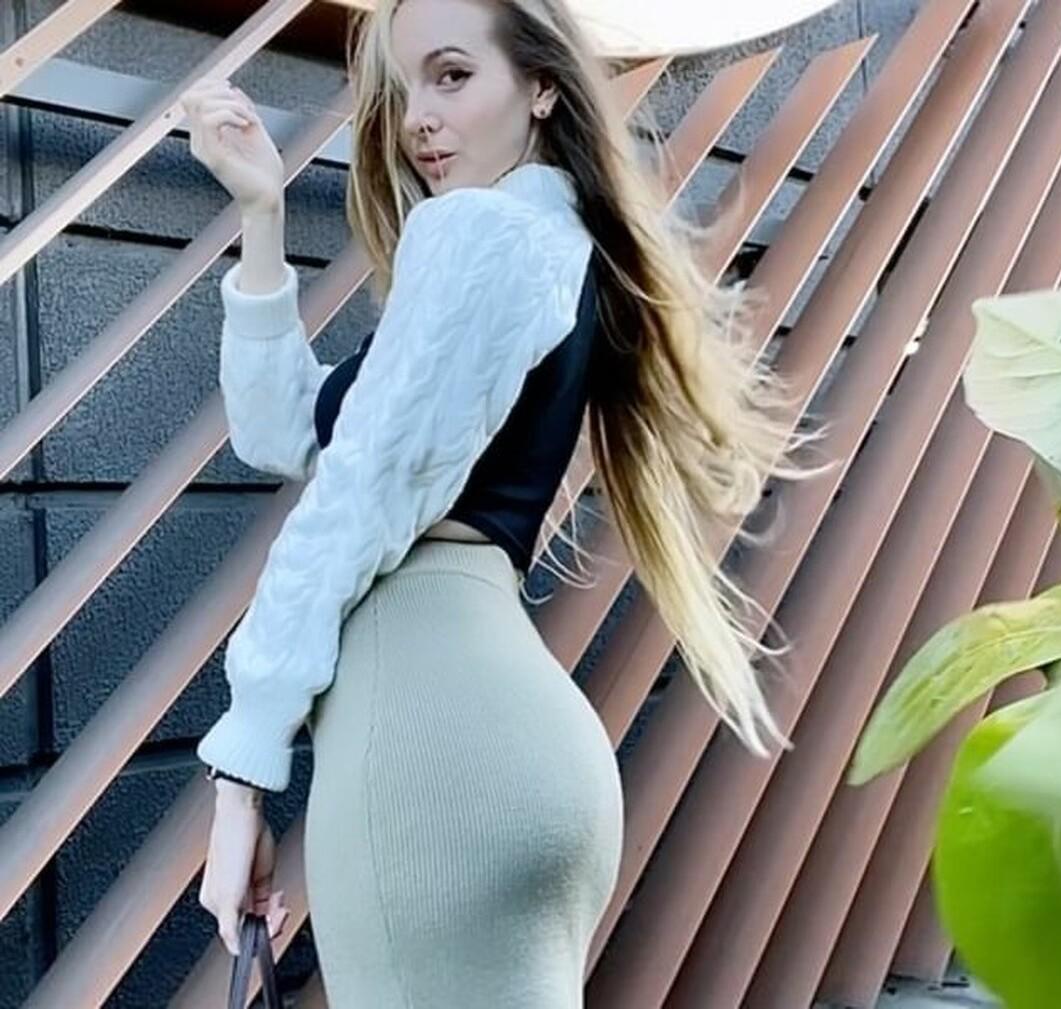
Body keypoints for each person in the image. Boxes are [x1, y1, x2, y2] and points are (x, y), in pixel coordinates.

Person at [180, 0, 828, 1003]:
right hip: (517, 747)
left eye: (451, 76)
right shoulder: (551, 247)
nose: (417, 120)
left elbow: (351, 499)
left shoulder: (477, 232)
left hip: (431, 746)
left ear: (542, 87)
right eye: (404, 91)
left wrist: (242, 776)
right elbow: (292, 434)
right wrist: (262, 214)